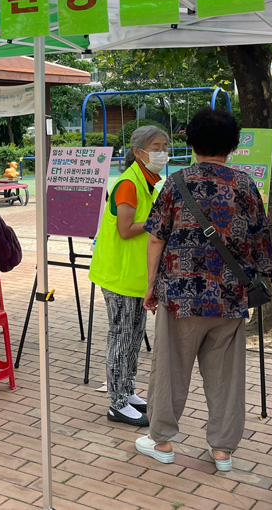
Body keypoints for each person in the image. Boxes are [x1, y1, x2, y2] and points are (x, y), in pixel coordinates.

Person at [136, 108, 272, 472]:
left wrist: (151, 285)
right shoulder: (245, 185)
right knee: (226, 376)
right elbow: (262, 248)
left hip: (179, 296)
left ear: (191, 142)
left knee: (169, 370)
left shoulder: (175, 182)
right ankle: (223, 450)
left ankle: (162, 440)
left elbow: (155, 239)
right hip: (229, 299)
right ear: (233, 144)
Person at [88, 125, 168, 428]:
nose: (162, 152)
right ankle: (117, 402)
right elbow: (125, 229)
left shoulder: (147, 182)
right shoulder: (129, 184)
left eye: (164, 146)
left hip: (134, 276)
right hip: (118, 275)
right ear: (138, 152)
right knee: (121, 337)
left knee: (134, 337)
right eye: (156, 147)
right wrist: (158, 221)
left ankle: (127, 390)